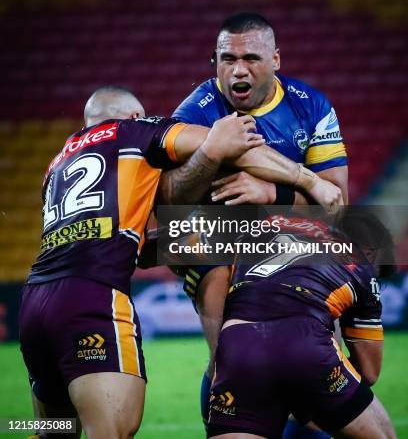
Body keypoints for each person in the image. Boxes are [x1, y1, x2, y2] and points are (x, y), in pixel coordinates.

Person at [19, 85, 341, 439]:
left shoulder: (58, 164)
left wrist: (203, 233)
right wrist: (309, 180)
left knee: (54, 431)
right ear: (135, 116)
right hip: (91, 298)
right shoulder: (135, 132)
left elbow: (131, 246)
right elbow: (230, 143)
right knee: (112, 431)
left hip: (34, 304)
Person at [172, 11, 348, 438]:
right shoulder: (195, 112)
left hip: (295, 244)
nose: (237, 69)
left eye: (250, 58)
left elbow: (336, 200)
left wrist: (272, 194)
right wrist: (210, 157)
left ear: (275, 60)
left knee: (325, 358)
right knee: (229, 361)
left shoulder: (312, 107)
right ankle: (225, 398)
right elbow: (171, 202)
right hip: (218, 246)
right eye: (226, 58)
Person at [206, 211, 397, 439]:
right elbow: (369, 372)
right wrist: (308, 394)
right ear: (370, 252)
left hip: (237, 343)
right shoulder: (362, 267)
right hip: (304, 344)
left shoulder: (266, 224)